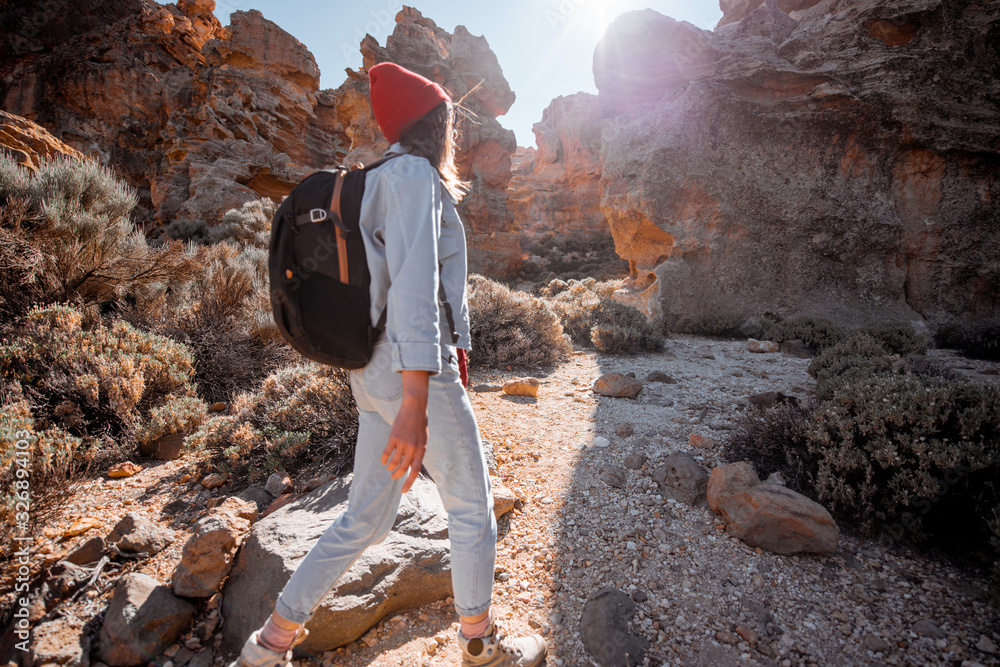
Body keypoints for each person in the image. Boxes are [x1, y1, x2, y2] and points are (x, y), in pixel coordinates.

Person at [228, 62, 547, 667]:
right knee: (471, 508)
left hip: (368, 371)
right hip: (407, 374)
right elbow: (413, 291)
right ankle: (480, 647)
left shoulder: (374, 178)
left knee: (365, 520)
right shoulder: (412, 178)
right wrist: (417, 403)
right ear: (438, 125)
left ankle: (269, 643)